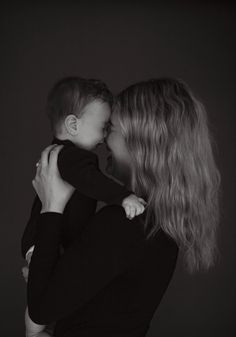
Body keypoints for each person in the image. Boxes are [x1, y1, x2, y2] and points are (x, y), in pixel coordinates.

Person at [25, 78, 220, 337]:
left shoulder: (122, 223)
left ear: (140, 143)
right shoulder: (158, 225)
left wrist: (51, 206)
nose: (104, 138)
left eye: (111, 128)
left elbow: (38, 312)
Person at [22, 77, 146, 337]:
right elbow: (93, 182)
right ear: (73, 124)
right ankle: (34, 329)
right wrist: (123, 197)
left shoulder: (63, 155)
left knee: (50, 291)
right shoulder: (69, 156)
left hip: (50, 239)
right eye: (103, 127)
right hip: (46, 240)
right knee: (43, 299)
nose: (104, 137)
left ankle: (37, 327)